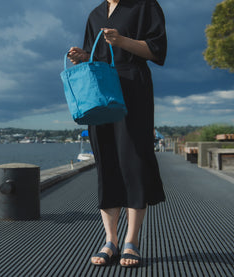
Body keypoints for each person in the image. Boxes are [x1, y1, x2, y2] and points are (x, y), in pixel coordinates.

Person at [67, 0, 167, 268]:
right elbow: (97, 56)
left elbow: (157, 50)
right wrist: (83, 57)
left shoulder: (145, 5)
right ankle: (110, 240)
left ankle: (131, 241)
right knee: (106, 161)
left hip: (133, 86)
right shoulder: (95, 14)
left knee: (134, 161)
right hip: (100, 91)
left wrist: (122, 41)